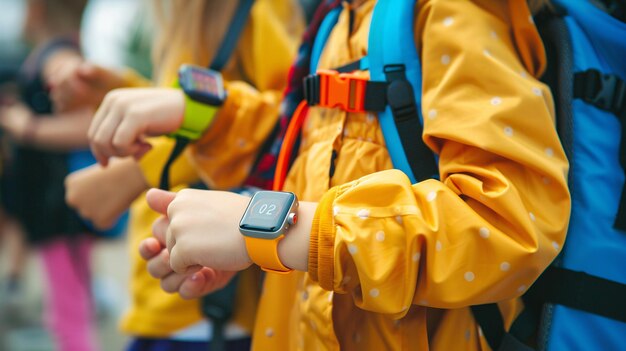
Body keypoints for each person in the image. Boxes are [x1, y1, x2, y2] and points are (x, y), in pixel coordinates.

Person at [91, 0, 570, 349]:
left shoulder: (452, 10)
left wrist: (265, 231)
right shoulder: (334, 22)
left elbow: (508, 222)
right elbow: (301, 150)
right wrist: (195, 113)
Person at [62, 0, 303, 350]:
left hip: (212, 305)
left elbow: (287, 121)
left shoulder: (258, 8)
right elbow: (198, 116)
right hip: (168, 291)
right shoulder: (188, 17)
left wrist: (139, 171)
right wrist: (128, 90)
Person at [0, 0, 99, 350]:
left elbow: (91, 122)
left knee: (68, 319)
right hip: (55, 211)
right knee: (66, 313)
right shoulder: (58, 52)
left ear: (37, 9)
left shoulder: (57, 57)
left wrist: (27, 126)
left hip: (60, 213)